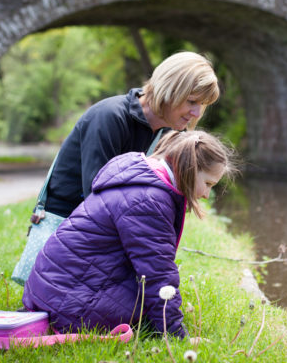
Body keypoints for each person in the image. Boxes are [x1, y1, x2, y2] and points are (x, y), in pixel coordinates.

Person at [22, 130, 236, 338]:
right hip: (67, 310)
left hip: (50, 293)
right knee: (153, 286)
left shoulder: (142, 177)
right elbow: (157, 274)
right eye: (207, 183)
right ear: (189, 168)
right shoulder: (148, 200)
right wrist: (175, 334)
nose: (207, 194)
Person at [44, 51, 220, 219]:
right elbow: (97, 197)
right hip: (67, 223)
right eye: (191, 101)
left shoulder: (171, 133)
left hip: (113, 224)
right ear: (169, 88)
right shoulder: (110, 117)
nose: (197, 113)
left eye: (202, 104)